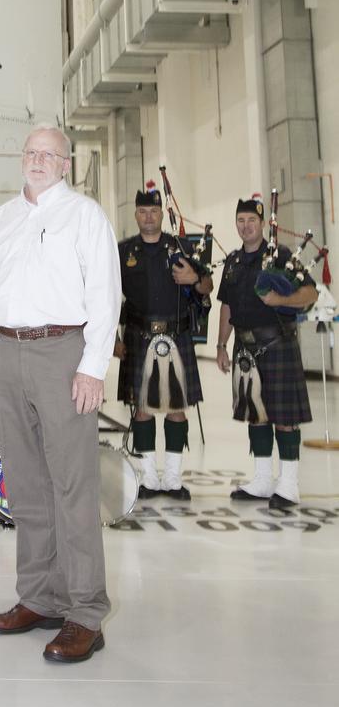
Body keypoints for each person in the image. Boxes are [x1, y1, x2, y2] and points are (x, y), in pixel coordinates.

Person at [0, 124, 120, 665]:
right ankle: (39, 598)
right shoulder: (1, 222)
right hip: (7, 355)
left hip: (63, 352)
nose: (39, 161)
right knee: (27, 484)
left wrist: (92, 367)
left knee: (72, 485)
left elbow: (105, 295)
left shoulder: (85, 216)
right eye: (31, 153)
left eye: (50, 154)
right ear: (22, 159)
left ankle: (85, 612)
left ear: (66, 164)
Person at [216, 196, 317, 509]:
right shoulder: (232, 262)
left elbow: (310, 292)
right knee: (255, 414)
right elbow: (227, 306)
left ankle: (289, 484)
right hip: (245, 347)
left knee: (284, 417)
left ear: (261, 223)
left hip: (278, 345)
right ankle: (262, 480)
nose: (246, 226)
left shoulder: (280, 257)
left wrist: (280, 301)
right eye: (241, 221)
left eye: (251, 221)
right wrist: (221, 345)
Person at [117, 181, 212, 499]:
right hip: (138, 336)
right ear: (136, 214)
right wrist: (110, 340)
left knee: (176, 408)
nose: (148, 217)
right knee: (142, 407)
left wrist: (196, 279)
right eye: (143, 211)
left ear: (161, 214)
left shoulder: (181, 247)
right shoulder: (124, 251)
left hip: (176, 335)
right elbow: (104, 294)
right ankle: (147, 477)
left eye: (153, 211)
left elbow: (207, 287)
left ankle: (172, 478)